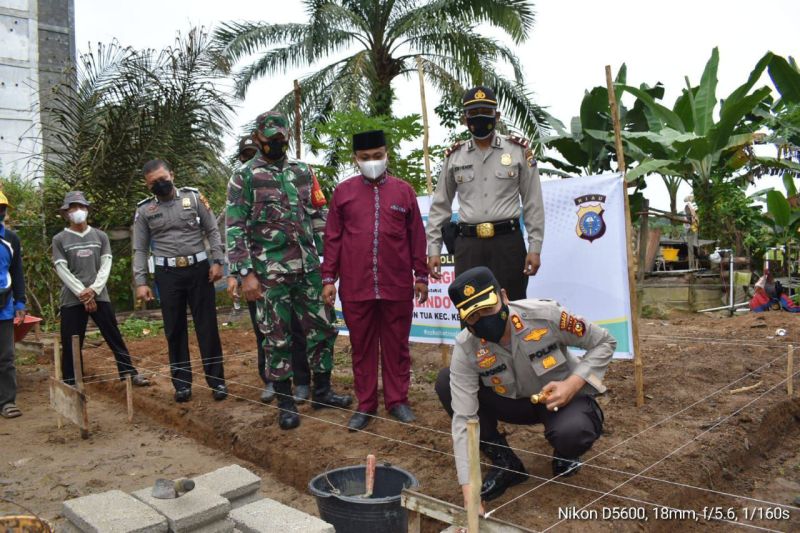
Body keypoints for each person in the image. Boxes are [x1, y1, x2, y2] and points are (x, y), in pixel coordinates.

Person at [436, 266, 614, 505]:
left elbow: (604, 342)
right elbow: (463, 420)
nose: (484, 320)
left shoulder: (545, 315)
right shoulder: (466, 347)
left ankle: (565, 451)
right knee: (446, 382)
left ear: (504, 297)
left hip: (559, 399)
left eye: (489, 308)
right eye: (474, 316)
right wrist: (470, 491)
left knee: (573, 432)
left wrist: (572, 384)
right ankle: (505, 462)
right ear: (463, 318)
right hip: (511, 403)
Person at [226, 111, 351, 430]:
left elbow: (318, 215)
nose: (277, 145)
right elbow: (235, 228)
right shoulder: (245, 177)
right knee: (276, 336)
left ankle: (322, 392)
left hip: (307, 268)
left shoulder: (302, 171)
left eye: (282, 140)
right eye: (271, 141)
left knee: (323, 329)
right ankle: (286, 402)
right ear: (258, 139)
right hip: (269, 274)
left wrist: (330, 262)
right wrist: (245, 274)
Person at [321, 130, 429, 431]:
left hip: (396, 284)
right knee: (362, 346)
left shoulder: (404, 192)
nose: (372, 162)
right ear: (355, 159)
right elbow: (333, 239)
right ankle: (366, 404)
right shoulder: (343, 193)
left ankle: (398, 401)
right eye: (365, 158)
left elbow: (416, 238)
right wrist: (328, 278)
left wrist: (420, 275)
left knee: (397, 346)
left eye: (378, 156)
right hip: (357, 286)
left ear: (387, 154)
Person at [426, 86, 545, 301]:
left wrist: (535, 247)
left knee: (513, 311)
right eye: (473, 113)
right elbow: (440, 205)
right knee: (471, 313)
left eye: (485, 111)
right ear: (464, 119)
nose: (479, 117)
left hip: (508, 245)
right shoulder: (454, 156)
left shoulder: (518, 150)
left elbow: (532, 202)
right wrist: (434, 249)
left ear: (496, 116)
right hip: (468, 247)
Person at [133, 159, 227, 403]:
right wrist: (141, 281)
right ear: (147, 186)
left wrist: (218, 261)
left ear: (172, 174)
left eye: (163, 179)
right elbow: (140, 249)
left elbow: (213, 230)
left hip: (199, 271)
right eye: (154, 183)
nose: (160, 184)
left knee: (207, 326)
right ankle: (182, 384)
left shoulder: (193, 198)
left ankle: (217, 381)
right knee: (174, 329)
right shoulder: (144, 211)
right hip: (167, 275)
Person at [227, 136, 311, 404]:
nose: (250, 158)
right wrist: (239, 273)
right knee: (265, 329)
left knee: (297, 327)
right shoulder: (241, 181)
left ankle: (301, 381)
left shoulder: (291, 174)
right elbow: (233, 232)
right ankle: (272, 381)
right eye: (245, 154)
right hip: (259, 273)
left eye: (253, 152)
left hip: (293, 268)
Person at [53, 192, 149, 387]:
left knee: (113, 334)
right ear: (66, 213)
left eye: (80, 206)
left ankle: (128, 373)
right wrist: (82, 293)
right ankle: (70, 381)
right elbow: (61, 268)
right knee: (71, 340)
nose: (77, 211)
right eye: (72, 207)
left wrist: (94, 291)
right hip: (72, 299)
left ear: (87, 210)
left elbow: (106, 265)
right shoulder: (60, 239)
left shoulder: (100, 236)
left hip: (100, 295)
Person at [0, 192, 26, 419]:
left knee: (6, 357)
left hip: (4, 306)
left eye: (2, 208)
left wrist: (20, 302)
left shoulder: (11, 239)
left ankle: (7, 402)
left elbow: (17, 272)